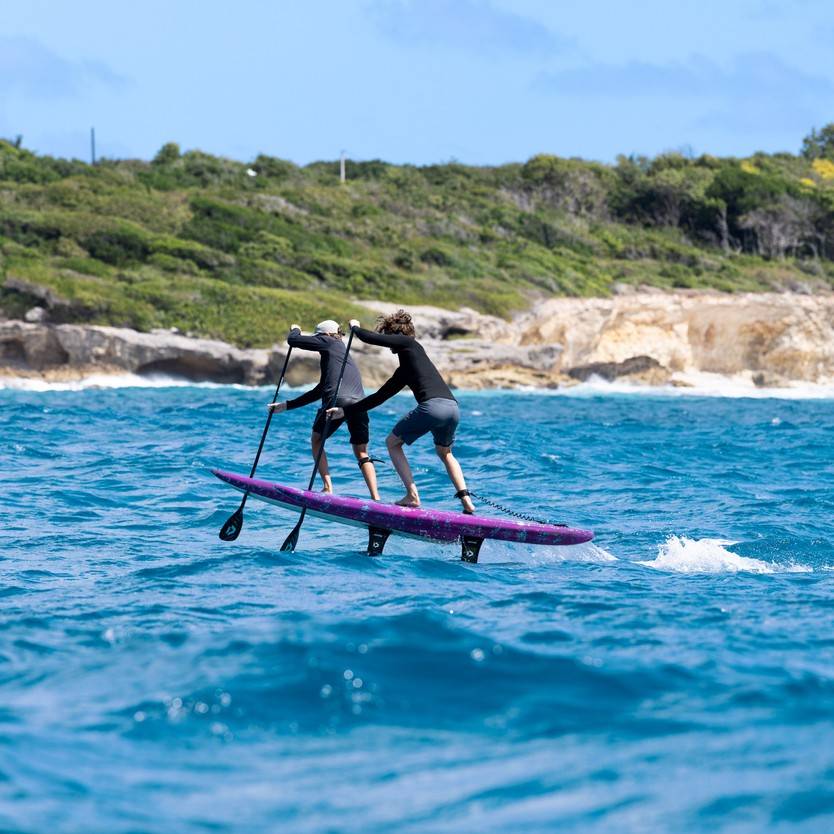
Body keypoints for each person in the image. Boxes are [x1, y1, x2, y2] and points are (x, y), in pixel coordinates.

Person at [327, 310, 475, 514]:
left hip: (432, 408)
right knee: (445, 453)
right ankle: (466, 500)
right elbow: (378, 397)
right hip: (453, 409)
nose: (389, 344)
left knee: (392, 443)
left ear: (395, 335)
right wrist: (345, 411)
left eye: (388, 337)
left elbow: (370, 338)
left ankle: (412, 495)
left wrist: (355, 328)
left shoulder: (409, 342)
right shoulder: (406, 368)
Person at [268, 320, 380, 500]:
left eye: (318, 338)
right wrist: (286, 405)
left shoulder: (329, 341)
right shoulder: (340, 353)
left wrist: (295, 330)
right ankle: (376, 498)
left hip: (338, 400)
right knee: (361, 451)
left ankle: (328, 487)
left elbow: (293, 341)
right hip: (359, 403)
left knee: (317, 440)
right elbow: (320, 390)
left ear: (326, 335)